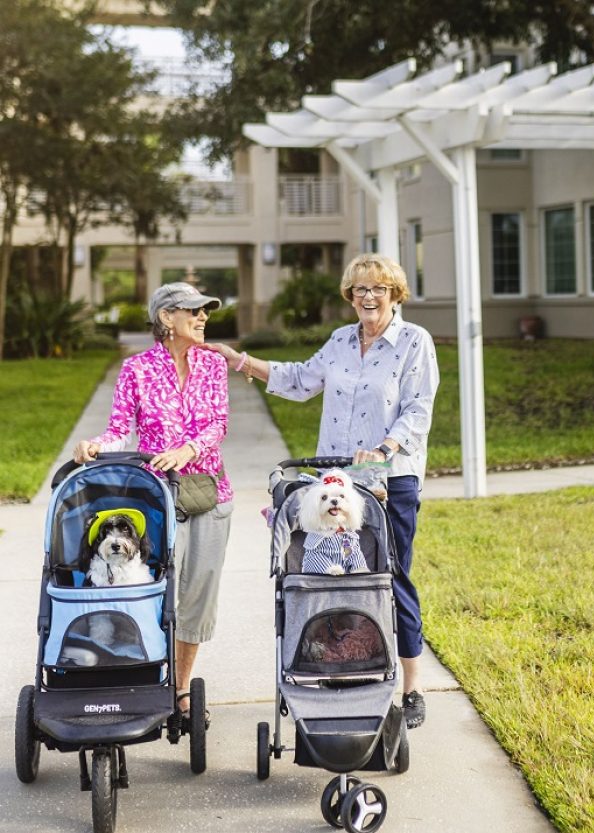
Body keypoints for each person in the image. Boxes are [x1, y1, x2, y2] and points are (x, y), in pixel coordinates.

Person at [205, 253, 439, 729]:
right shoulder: (339, 341)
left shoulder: (414, 341)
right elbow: (299, 379)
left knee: (390, 578)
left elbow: (418, 406)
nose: (367, 297)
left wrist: (385, 446)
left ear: (395, 293)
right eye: (358, 290)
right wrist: (242, 361)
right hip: (337, 481)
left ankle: (412, 686)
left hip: (389, 480)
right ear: (349, 297)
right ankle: (344, 662)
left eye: (377, 288)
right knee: (330, 576)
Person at [73, 281, 233, 720]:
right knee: (154, 593)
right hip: (158, 498)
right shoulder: (136, 370)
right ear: (167, 318)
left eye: (205, 312)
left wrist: (187, 450)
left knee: (197, 595)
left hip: (209, 492)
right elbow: (118, 429)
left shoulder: (212, 364)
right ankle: (145, 673)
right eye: (194, 311)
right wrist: (94, 446)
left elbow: (218, 423)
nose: (203, 318)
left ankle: (181, 690)